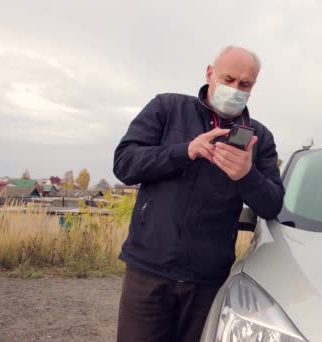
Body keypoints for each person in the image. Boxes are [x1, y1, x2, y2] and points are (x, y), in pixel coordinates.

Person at [113, 46, 284, 342]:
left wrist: (247, 176)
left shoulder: (260, 137)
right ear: (209, 73)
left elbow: (272, 205)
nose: (235, 89)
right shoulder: (167, 108)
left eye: (245, 84)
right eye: (228, 79)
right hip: (149, 269)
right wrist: (185, 151)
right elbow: (125, 163)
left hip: (208, 279)